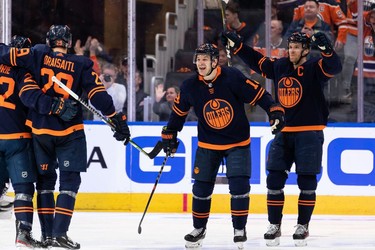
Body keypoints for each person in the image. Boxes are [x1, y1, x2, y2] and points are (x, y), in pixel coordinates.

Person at [1, 25, 131, 249]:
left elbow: (24, 84)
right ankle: (59, 233)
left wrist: (51, 105)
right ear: (69, 43)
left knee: (44, 184)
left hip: (40, 130)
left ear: (50, 41)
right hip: (69, 132)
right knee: (69, 182)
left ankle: (47, 235)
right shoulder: (81, 64)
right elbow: (98, 95)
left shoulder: (37, 54)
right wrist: (114, 118)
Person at [222, 29, 342, 247]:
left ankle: (302, 225)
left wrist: (327, 50)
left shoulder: (315, 66)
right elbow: (258, 62)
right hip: (284, 132)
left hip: (309, 131)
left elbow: (335, 67)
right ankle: (274, 225)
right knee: (274, 179)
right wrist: (238, 46)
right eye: (290, 47)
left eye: (296, 47)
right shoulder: (281, 66)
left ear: (306, 50)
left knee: (306, 181)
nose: (292, 50)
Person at [160, 43, 285, 249]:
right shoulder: (190, 85)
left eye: (204, 59)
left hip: (238, 143)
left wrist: (274, 109)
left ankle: (239, 229)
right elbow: (179, 113)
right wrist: (170, 133)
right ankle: (199, 229)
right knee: (200, 188)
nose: (200, 63)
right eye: (198, 59)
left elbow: (259, 94)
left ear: (214, 61)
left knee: (239, 187)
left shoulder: (232, 76)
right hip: (208, 144)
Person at [0, 35, 46, 248]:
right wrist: (55, 105)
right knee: (23, 189)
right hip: (17, 139)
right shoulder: (24, 74)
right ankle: (23, 234)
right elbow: (32, 99)